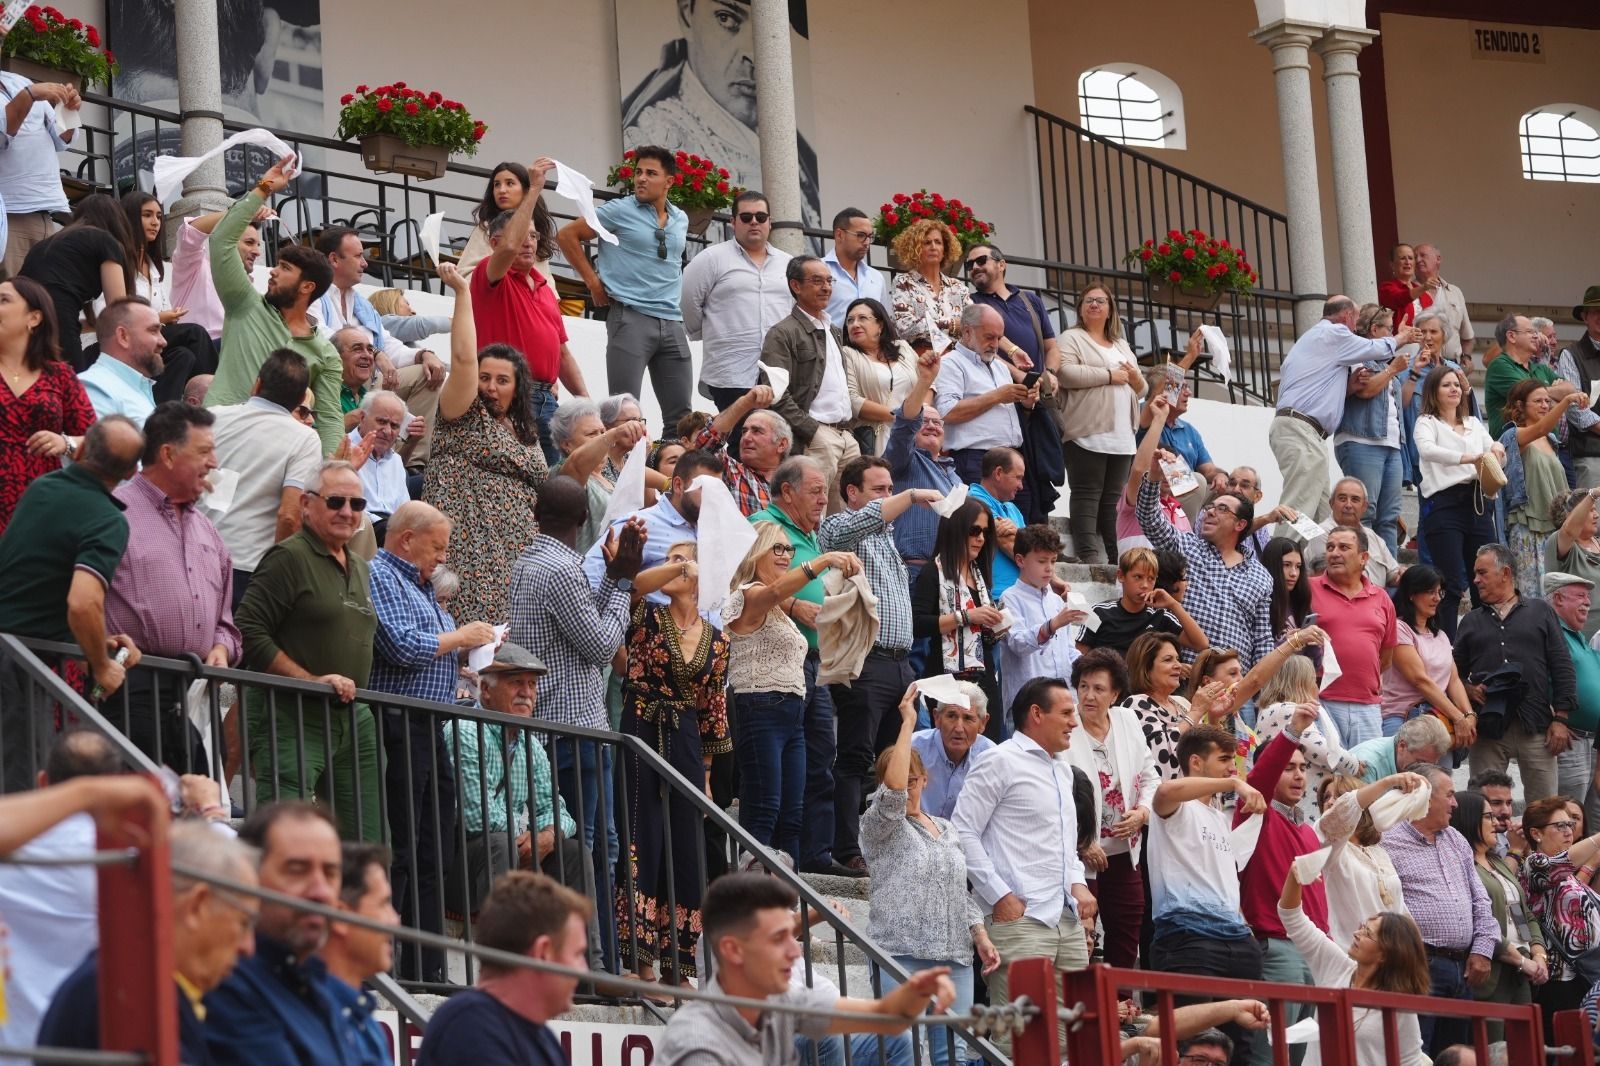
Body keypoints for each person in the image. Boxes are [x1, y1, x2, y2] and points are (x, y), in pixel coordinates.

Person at [508, 478, 646, 969]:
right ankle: (589, 961)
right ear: (585, 519)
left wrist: (613, 577)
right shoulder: (563, 569)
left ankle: (598, 960)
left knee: (597, 848)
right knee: (587, 852)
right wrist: (624, 584)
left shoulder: (528, 562)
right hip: (573, 729)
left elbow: (581, 627)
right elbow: (603, 646)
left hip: (560, 727)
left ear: (534, 512)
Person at [368, 500, 497, 982]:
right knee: (403, 846)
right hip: (398, 723)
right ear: (407, 540)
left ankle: (428, 967)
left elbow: (431, 650)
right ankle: (394, 965)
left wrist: (470, 652)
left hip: (431, 725)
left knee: (434, 850)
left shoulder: (423, 588)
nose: (443, 557)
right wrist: (459, 637)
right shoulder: (379, 575)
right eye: (438, 547)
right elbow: (399, 646)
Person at [656, 872, 956, 1066]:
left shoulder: (781, 1002)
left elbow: (887, 1017)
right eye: (778, 939)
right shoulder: (698, 1046)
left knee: (896, 1041)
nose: (793, 951)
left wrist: (919, 989)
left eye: (793, 936)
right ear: (733, 950)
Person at [235, 460, 384, 842]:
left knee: (367, 842)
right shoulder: (288, 557)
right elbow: (248, 629)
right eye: (335, 501)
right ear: (305, 504)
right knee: (287, 835)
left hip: (353, 716)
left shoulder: (361, 566)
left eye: (357, 504)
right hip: (293, 712)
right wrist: (310, 680)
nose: (347, 512)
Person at [38, 822, 259, 1066]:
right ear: (197, 906)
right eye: (243, 923)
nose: (248, 947)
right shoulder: (132, 994)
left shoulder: (137, 979)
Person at [953, 678, 1095, 1053]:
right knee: (1020, 1044)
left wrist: (1078, 883)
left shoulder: (1064, 770)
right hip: (1020, 920)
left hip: (1066, 919)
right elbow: (962, 831)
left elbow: (1065, 845)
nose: (1074, 722)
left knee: (1074, 1041)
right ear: (1036, 714)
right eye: (1066, 713)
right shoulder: (999, 760)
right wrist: (1000, 897)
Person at [0, 416, 143, 788]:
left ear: (79, 451)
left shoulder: (43, 487)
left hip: (16, 655)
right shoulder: (107, 519)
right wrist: (102, 666)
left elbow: (34, 585)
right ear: (131, 473)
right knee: (21, 790)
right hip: (17, 667)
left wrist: (93, 644)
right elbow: (82, 603)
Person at [443, 642, 603, 972]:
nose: (526, 693)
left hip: (508, 854)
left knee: (575, 852)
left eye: (532, 684)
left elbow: (559, 811)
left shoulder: (531, 743)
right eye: (516, 682)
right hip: (461, 867)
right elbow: (476, 817)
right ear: (486, 692)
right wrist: (528, 837)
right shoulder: (465, 729)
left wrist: (547, 836)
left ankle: (588, 968)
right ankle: (508, 969)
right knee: (499, 842)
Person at [863, 682, 999, 1066]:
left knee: (954, 1055)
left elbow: (959, 892)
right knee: (901, 1051)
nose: (905, 790)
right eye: (896, 782)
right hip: (899, 954)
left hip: (955, 957)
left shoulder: (948, 829)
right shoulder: (879, 826)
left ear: (925, 781)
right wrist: (908, 722)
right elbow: (892, 796)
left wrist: (981, 936)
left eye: (913, 781)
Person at [615, 541, 731, 984]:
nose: (676, 565)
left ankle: (677, 968)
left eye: (685, 558)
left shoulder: (718, 639)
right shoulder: (646, 615)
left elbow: (712, 709)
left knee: (686, 846)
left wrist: (706, 777)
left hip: (685, 737)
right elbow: (633, 585)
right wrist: (677, 568)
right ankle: (639, 962)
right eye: (671, 559)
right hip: (642, 724)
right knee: (642, 836)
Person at [817, 456, 941, 871]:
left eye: (891, 488)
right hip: (866, 662)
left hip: (900, 664)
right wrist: (911, 495)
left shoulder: (888, 539)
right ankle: (847, 849)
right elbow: (860, 522)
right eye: (879, 489)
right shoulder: (839, 529)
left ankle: (886, 847)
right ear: (852, 493)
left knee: (893, 761)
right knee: (855, 758)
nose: (888, 496)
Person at [101, 402, 237, 769]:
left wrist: (221, 648)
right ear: (168, 454)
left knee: (199, 802)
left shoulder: (209, 532)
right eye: (204, 451)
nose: (214, 463)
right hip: (127, 689)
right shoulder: (112, 514)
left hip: (192, 695)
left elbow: (226, 624)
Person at [724, 518, 858, 873]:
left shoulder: (777, 610)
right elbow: (774, 592)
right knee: (764, 809)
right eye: (777, 548)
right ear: (755, 553)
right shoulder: (748, 594)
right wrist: (823, 560)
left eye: (789, 548)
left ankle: (788, 898)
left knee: (792, 814)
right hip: (760, 709)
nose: (785, 555)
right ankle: (753, 895)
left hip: (792, 714)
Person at [421, 261, 549, 626]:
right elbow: (463, 358)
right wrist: (463, 292)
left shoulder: (525, 430)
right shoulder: (462, 413)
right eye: (484, 377)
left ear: (517, 388)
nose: (491, 386)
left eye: (502, 380)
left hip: (518, 561)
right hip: (469, 554)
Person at [202, 155, 343, 455]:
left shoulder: (326, 353)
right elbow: (221, 241)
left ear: (307, 287)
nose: (273, 272)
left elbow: (330, 419)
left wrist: (333, 468)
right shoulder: (244, 304)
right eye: (277, 265)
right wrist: (263, 189)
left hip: (272, 454)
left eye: (285, 268)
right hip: (217, 440)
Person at [1147, 724, 1268, 1065]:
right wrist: (1233, 784)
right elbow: (1165, 790)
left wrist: (1245, 932)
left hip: (1238, 942)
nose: (1232, 768)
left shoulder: (1220, 818)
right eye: (1225, 759)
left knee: (1240, 1050)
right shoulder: (1175, 806)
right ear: (1196, 762)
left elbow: (1225, 882)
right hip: (1189, 939)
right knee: (1192, 1046)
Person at [0, 732, 127, 1047]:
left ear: (43, 782)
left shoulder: (11, 851)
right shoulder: (129, 857)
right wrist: (211, 812)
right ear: (116, 785)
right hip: (96, 1044)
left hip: (15, 1046)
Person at [558, 145, 693, 430]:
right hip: (630, 317)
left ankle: (672, 460)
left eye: (651, 173)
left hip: (672, 320)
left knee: (682, 418)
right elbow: (568, 235)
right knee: (623, 412)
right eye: (638, 172)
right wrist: (593, 282)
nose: (641, 178)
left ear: (669, 181)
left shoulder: (681, 218)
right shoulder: (619, 210)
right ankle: (622, 461)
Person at [202, 802, 347, 1064]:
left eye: (330, 873)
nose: (321, 891)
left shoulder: (320, 986)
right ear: (249, 877)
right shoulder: (226, 982)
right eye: (297, 870)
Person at [1136, 398, 1275, 668]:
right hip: (1185, 675)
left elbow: (1262, 640)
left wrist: (1259, 688)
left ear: (1240, 525)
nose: (1210, 512)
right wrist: (1154, 475)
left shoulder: (1261, 575)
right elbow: (1149, 518)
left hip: (1234, 682)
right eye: (1210, 506)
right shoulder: (1186, 548)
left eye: (1222, 509)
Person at [472, 160, 590, 465]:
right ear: (495, 243)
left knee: (555, 480)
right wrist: (535, 187)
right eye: (522, 234)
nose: (528, 242)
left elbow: (563, 354)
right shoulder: (490, 276)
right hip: (507, 395)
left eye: (534, 236)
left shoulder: (544, 288)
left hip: (546, 399)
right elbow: (509, 248)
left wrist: (586, 402)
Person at [417, 872, 594, 1066]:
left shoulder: (542, 1037)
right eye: (578, 954)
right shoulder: (469, 1027)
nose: (584, 970)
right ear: (543, 953)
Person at [1382, 763, 1498, 1053]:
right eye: (1449, 795)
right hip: (1419, 966)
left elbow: (1481, 900)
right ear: (1423, 795)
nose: (1455, 803)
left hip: (1464, 969)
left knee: (1457, 1056)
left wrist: (1483, 949)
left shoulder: (1456, 839)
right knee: (1416, 1054)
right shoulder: (1387, 840)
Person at [1271, 296, 1417, 525]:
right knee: (1299, 507)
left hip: (1304, 430)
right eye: (1356, 320)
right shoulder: (1335, 333)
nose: (1356, 328)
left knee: (1320, 515)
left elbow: (1319, 389)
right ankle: (1283, 549)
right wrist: (1402, 337)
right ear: (1348, 316)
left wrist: (1349, 387)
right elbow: (1376, 347)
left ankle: (1313, 550)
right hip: (1302, 429)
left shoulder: (1317, 337)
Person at [1455, 543, 1576, 803]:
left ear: (1505, 573)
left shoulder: (1540, 611)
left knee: (1545, 808)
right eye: (1475, 574)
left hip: (1537, 727)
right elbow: (1452, 674)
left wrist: (1561, 719)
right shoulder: (1471, 621)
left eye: (1482, 573)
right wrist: (1468, 689)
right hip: (1488, 727)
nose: (1475, 580)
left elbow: (1562, 665)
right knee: (1483, 806)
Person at [1234, 709, 1328, 1044]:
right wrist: (1294, 730)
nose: (1299, 775)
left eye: (1303, 768)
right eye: (1288, 768)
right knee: (1270, 1054)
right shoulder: (1255, 815)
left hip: (1314, 954)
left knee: (1297, 1058)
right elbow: (1260, 778)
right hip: (1277, 949)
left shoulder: (1309, 833)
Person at [1276, 863, 1429, 1066]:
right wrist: (1295, 878)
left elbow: (1410, 1062)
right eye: (1362, 927)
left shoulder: (1399, 1006)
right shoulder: (1337, 966)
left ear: (1386, 954)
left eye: (1367, 934)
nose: (1357, 934)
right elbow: (1292, 917)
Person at [314, 228, 444, 466]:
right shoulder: (314, 293)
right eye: (358, 256)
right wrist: (375, 353)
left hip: (370, 380)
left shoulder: (361, 304)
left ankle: (410, 464)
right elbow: (323, 338)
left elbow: (389, 344)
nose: (365, 263)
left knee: (428, 373)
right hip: (335, 379)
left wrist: (424, 354)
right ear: (334, 259)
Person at [1064, 647, 1158, 970]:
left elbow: (1150, 776)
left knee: (1128, 929)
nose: (1089, 696)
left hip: (1124, 851)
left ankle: (1121, 998)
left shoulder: (1127, 719)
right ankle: (1084, 1001)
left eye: (1098, 688)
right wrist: (1082, 841)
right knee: (1080, 937)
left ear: (1115, 694)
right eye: (1083, 686)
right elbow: (1055, 791)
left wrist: (1142, 812)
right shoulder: (1066, 724)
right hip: (1080, 857)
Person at [208, 350, 325, 607]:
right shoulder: (305, 439)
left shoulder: (212, 416)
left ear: (257, 384)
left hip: (195, 557)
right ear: (300, 399)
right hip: (248, 570)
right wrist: (279, 576)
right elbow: (290, 515)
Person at [759, 254, 861, 512]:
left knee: (847, 520)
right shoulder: (782, 333)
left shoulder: (834, 330)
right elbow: (775, 393)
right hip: (816, 436)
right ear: (796, 285)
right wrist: (812, 431)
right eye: (817, 281)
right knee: (811, 515)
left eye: (829, 281)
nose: (826, 287)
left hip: (845, 435)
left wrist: (848, 431)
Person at [681, 189, 794, 410]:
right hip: (731, 373)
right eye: (746, 217)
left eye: (761, 217)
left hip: (781, 373)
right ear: (733, 222)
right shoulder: (711, 259)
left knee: (782, 433)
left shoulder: (788, 263)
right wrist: (712, 331)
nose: (754, 222)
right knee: (739, 433)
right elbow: (688, 303)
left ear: (769, 222)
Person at [1057, 284, 1146, 563]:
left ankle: (1117, 556)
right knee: (1087, 493)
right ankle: (1089, 556)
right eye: (1088, 301)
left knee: (1114, 501)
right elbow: (1065, 373)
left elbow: (1142, 389)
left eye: (1100, 301)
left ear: (1110, 310)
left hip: (1122, 435)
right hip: (1086, 430)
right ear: (1080, 308)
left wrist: (1134, 378)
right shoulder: (1071, 337)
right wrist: (1109, 375)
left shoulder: (1121, 344)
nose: (1094, 305)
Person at [1451, 791, 1548, 1042]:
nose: (1496, 823)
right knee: (1493, 1052)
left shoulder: (1497, 862)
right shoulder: (1461, 866)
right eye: (1488, 817)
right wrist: (1521, 960)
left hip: (1520, 973)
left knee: (1526, 1048)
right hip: (1492, 974)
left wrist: (1538, 954)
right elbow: (1479, 922)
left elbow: (1522, 913)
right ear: (1469, 819)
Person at [0, 276, 95, 532]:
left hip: (42, 511)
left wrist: (65, 443)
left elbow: (96, 442)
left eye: (4, 300)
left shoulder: (60, 375)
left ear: (34, 318)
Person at [1414, 365, 1502, 635]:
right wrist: (1470, 458)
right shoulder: (1426, 422)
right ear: (1434, 391)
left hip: (1478, 503)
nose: (1454, 389)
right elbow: (1427, 450)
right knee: (1450, 582)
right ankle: (1447, 647)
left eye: (1456, 384)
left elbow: (1493, 447)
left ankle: (1487, 644)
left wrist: (1498, 449)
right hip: (1445, 504)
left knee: (1486, 580)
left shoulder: (1474, 423)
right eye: (1446, 385)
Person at [911, 500, 1004, 733]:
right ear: (956, 530)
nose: (980, 538)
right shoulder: (933, 571)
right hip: (946, 678)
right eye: (974, 530)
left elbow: (981, 633)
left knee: (989, 743)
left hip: (983, 674)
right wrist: (966, 616)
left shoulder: (979, 575)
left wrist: (996, 626)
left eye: (985, 532)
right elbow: (918, 624)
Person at [933, 304, 1034, 512]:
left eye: (999, 338)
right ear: (967, 332)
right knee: (981, 523)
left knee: (1018, 525)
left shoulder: (999, 366)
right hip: (976, 460)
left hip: (1012, 459)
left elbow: (1005, 413)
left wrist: (1026, 403)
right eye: (989, 337)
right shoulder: (951, 363)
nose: (995, 345)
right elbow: (947, 412)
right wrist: (997, 396)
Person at [17, 193, 130, 372]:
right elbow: (118, 310)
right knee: (69, 384)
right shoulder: (106, 241)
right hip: (58, 320)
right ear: (118, 222)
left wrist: (92, 325)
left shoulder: (46, 245)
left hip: (20, 321)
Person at [1517, 795, 1600, 1030]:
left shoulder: (1571, 878)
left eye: (1570, 825)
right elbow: (1561, 863)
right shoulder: (1534, 865)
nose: (1568, 831)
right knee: (1566, 1044)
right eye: (1560, 825)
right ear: (1536, 833)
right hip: (1558, 976)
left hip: (1586, 975)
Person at [1316, 772, 1423, 950]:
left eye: (1339, 796)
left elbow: (1399, 908)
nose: (1330, 802)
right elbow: (1339, 815)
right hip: (1348, 953)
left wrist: (1414, 947)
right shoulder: (1330, 848)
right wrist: (1389, 781)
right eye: (1326, 797)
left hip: (1387, 957)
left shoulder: (1379, 852)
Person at [1312, 526, 1399, 745]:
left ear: (1364, 558)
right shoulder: (1308, 590)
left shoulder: (1382, 598)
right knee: (1325, 768)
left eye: (1344, 547)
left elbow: (1386, 658)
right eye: (1330, 547)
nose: (1334, 553)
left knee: (1365, 767)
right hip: (1319, 702)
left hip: (1367, 706)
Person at [118, 190, 216, 383]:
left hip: (153, 338)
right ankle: (213, 394)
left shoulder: (152, 265)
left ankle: (189, 397)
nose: (155, 222)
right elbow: (111, 314)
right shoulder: (117, 261)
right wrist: (161, 317)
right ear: (129, 218)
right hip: (127, 339)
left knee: (184, 355)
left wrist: (170, 316)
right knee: (195, 333)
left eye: (158, 216)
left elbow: (164, 309)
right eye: (147, 215)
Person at [1332, 304, 1406, 555]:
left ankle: (1388, 572)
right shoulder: (1357, 355)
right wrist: (1393, 369)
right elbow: (1364, 391)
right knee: (1364, 512)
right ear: (1374, 329)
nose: (1392, 335)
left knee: (1389, 517)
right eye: (1389, 329)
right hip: (1361, 441)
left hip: (1391, 444)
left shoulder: (1384, 362)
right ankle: (1362, 569)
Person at [319, 843, 399, 1066]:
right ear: (342, 917)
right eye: (384, 904)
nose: (395, 920)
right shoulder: (309, 1017)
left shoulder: (361, 1015)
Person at [1501, 379, 1584, 591]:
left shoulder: (1551, 439)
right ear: (1520, 405)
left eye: (1547, 401)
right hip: (1528, 527)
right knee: (1531, 595)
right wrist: (1566, 401)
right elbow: (1540, 428)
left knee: (1557, 594)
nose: (1545, 405)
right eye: (1538, 401)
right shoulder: (1513, 435)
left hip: (1553, 529)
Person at [1381, 564, 1477, 747]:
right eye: (1430, 592)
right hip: (1403, 718)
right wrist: (1458, 717)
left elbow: (1454, 680)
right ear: (1411, 594)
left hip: (1438, 719)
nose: (1437, 598)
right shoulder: (1399, 629)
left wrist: (1469, 715)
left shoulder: (1440, 635)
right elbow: (1420, 680)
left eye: (1440, 592)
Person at [884, 347, 958, 581]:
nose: (933, 426)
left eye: (938, 423)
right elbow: (905, 425)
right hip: (910, 570)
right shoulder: (902, 459)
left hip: (947, 575)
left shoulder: (953, 474)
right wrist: (925, 381)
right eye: (924, 422)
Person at [997, 523, 1084, 711]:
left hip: (1062, 701)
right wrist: (1052, 625)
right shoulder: (1008, 598)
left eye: (1053, 561)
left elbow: (1068, 651)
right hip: (1027, 705)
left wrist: (1088, 665)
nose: (1049, 569)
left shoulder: (1057, 601)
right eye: (1042, 561)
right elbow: (1018, 644)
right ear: (1020, 560)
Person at [0, 73, 80, 275]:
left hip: (44, 213)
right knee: (11, 291)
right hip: (9, 214)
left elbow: (60, 138)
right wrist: (28, 95)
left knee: (44, 293)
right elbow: (2, 135)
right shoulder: (28, 89)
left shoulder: (20, 81)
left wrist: (68, 110)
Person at [1252, 656, 1359, 794]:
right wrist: (1355, 764)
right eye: (1314, 681)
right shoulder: (1288, 711)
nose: (1317, 688)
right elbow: (1326, 753)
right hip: (1297, 799)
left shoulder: (1273, 709)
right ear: (1300, 684)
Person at [167, 201, 269, 345]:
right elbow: (190, 231)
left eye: (258, 245)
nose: (257, 252)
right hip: (200, 349)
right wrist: (242, 213)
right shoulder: (194, 268)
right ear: (227, 241)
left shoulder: (251, 288)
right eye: (249, 242)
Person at [1078, 545, 1207, 657]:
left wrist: (1173, 605)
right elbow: (1080, 655)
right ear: (1121, 576)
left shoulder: (1160, 616)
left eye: (1151, 579)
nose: (1145, 585)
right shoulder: (1098, 612)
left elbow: (1201, 644)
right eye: (1138, 577)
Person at [1545, 572, 1600, 829]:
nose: (1588, 602)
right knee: (1567, 818)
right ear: (1558, 599)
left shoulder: (1579, 637)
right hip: (1571, 739)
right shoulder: (1551, 634)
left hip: (1592, 742)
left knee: (1591, 822)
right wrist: (1555, 718)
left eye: (1588, 597)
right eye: (1580, 596)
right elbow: (1535, 679)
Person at [689, 383, 786, 515]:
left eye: (757, 431)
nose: (746, 438)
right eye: (744, 431)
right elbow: (703, 448)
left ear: (781, 444)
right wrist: (745, 402)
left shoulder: (797, 484)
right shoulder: (731, 473)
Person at [456, 161, 558, 283]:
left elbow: (547, 285)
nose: (502, 190)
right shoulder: (487, 228)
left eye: (510, 183)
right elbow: (465, 276)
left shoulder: (536, 229)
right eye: (497, 185)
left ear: (525, 190)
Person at [840, 297, 918, 457]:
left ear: (880, 325)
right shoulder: (846, 354)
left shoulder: (903, 347)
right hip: (877, 438)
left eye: (862, 318)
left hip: (915, 433)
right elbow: (852, 400)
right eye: (850, 320)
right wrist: (903, 417)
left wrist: (922, 414)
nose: (855, 324)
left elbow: (929, 384)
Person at [77, 296, 171, 422]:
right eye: (153, 331)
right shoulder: (94, 387)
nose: (163, 341)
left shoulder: (136, 387)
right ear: (123, 336)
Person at [911, 686, 996, 821]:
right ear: (937, 718)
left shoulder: (991, 757)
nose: (959, 728)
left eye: (968, 718)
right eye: (951, 716)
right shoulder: (913, 748)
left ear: (983, 723)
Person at [1301, 477, 1403, 588]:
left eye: (1355, 500)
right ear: (1331, 503)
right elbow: (1333, 579)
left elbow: (1394, 574)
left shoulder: (1372, 536)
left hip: (1376, 596)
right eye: (1342, 499)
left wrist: (1404, 574)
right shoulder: (1320, 533)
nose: (1348, 505)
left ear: (1364, 507)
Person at [888, 218, 970, 339]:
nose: (933, 247)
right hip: (921, 350)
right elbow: (905, 328)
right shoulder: (904, 282)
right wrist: (951, 324)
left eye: (938, 242)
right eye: (927, 243)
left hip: (957, 350)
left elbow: (973, 324)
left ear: (945, 249)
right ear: (915, 249)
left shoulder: (958, 287)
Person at [345, 391, 411, 540]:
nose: (387, 431)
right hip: (360, 528)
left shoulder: (396, 460)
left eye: (394, 426)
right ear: (362, 418)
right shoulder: (344, 448)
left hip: (392, 530)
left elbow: (404, 509)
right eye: (382, 421)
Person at [967, 446, 1027, 599]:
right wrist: (1052, 578)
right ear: (999, 473)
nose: (1021, 486)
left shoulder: (1012, 508)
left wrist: (1017, 533)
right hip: (996, 598)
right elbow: (1009, 542)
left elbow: (1031, 548)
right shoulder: (974, 501)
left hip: (1021, 596)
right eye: (1018, 477)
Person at [1560, 287, 1600, 488]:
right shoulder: (1571, 355)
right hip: (1590, 454)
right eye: (1596, 312)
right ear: (1585, 317)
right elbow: (1575, 409)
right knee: (1593, 508)